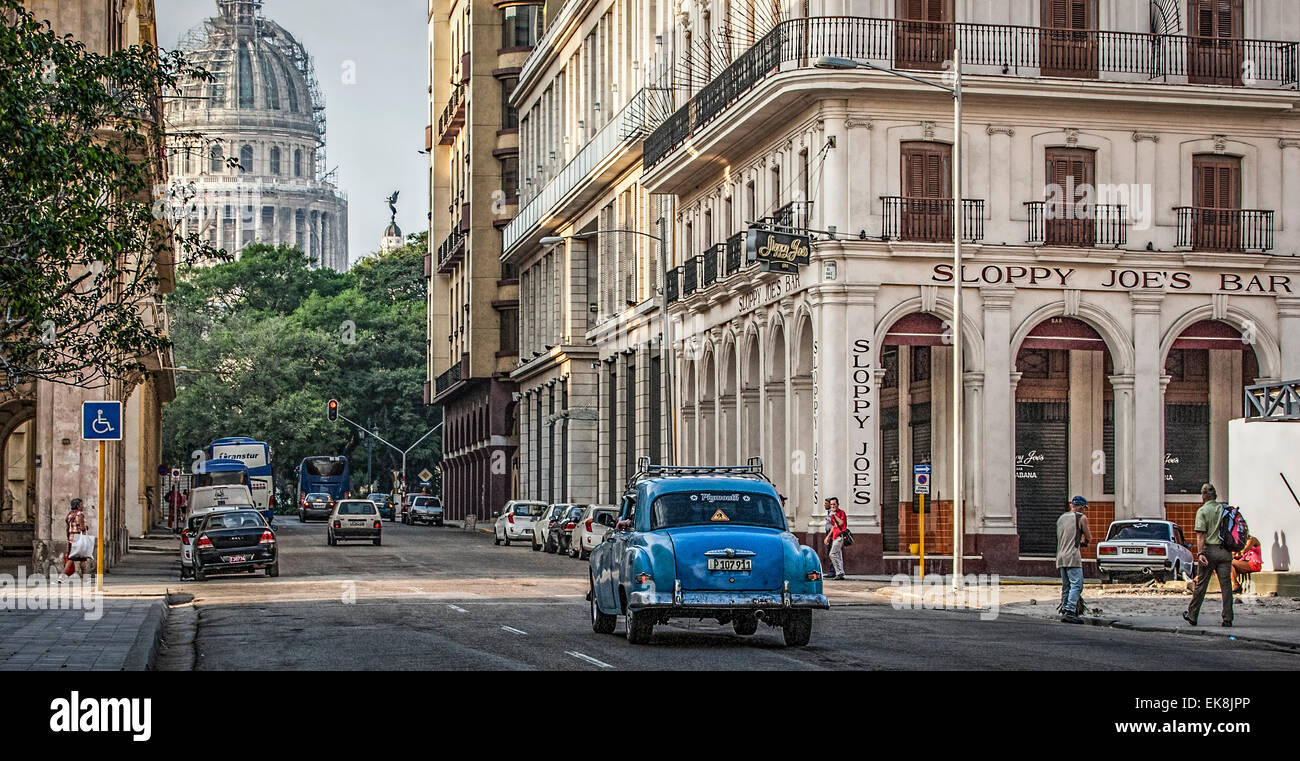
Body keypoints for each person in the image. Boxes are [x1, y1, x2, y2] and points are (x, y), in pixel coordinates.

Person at [1184, 483, 1234, 627]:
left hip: (1209, 551)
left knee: (1201, 585)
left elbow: (1201, 534)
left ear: (1203, 496)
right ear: (1215, 496)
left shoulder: (1203, 511)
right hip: (1225, 552)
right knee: (1226, 586)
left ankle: (1192, 615)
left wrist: (1200, 554)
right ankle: (1228, 618)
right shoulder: (1223, 509)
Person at [1056, 495, 1091, 623]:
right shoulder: (1081, 517)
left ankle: (1064, 609)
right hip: (1072, 556)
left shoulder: (1061, 518)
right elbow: (1088, 537)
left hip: (1060, 556)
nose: (1084, 510)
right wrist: (1085, 542)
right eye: (1084, 508)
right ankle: (1070, 611)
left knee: (1066, 586)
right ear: (1081, 507)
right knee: (1077, 585)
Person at [63, 498, 90, 579]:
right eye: (81, 504)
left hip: (72, 539)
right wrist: (86, 527)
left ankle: (62, 577)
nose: (83, 506)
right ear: (78, 506)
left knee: (74, 558)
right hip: (79, 540)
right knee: (80, 559)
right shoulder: (80, 514)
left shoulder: (69, 515)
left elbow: (68, 528)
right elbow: (82, 528)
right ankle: (62, 577)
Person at [823, 497, 847, 580]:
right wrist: (828, 537)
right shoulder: (833, 515)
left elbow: (841, 523)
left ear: (837, 505)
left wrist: (835, 515)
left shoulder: (841, 513)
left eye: (834, 504)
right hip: (834, 537)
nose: (832, 506)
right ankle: (841, 572)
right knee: (838, 555)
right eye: (831, 504)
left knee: (832, 554)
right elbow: (833, 527)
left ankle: (839, 572)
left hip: (840, 536)